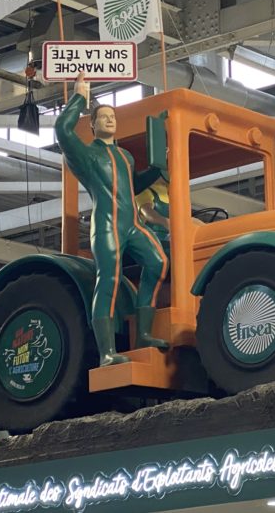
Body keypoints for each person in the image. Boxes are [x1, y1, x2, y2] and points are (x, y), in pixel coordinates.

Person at [56, 73, 169, 366]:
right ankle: (106, 353)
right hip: (107, 225)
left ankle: (143, 333)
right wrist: (79, 96)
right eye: (102, 117)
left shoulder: (126, 156)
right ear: (91, 124)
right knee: (109, 279)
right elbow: (62, 130)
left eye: (112, 116)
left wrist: (158, 167)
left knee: (158, 262)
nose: (109, 120)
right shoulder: (85, 155)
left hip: (132, 225)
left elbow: (132, 186)